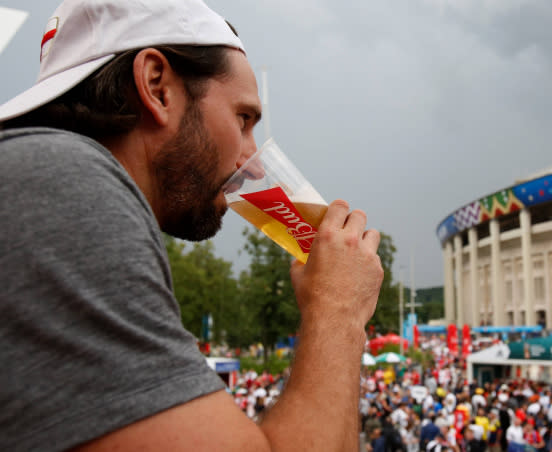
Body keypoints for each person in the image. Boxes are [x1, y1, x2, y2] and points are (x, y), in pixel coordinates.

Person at [0, 1, 384, 451]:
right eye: (243, 119)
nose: (253, 164)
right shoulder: (63, 181)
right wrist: (338, 310)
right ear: (157, 86)